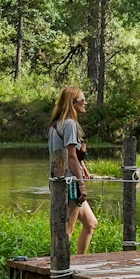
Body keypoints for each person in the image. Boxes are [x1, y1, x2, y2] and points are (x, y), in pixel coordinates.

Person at [48, 86, 98, 255]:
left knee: (90, 223)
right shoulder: (69, 124)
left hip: (61, 181)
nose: (85, 103)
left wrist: (82, 164)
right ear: (72, 103)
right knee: (67, 230)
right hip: (69, 183)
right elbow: (70, 156)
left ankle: (79, 262)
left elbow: (70, 154)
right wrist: (81, 184)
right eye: (82, 100)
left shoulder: (55, 125)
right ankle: (61, 268)